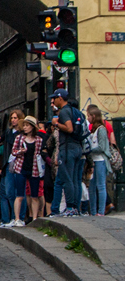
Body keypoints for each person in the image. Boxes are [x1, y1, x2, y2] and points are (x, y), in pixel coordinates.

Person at [50, 89, 85, 217]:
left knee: (67, 178)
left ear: (60, 98)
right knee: (75, 179)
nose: (53, 101)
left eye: (55, 98)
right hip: (77, 148)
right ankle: (75, 207)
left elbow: (69, 128)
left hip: (67, 149)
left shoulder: (64, 111)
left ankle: (69, 207)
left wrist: (56, 123)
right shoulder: (74, 110)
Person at [8, 115, 44, 226]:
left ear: (32, 127)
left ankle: (34, 218)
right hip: (21, 169)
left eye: (27, 125)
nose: (25, 127)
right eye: (24, 125)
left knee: (34, 196)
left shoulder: (39, 140)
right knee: (19, 195)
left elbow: (39, 154)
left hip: (34, 170)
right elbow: (13, 151)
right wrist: (20, 151)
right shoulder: (19, 138)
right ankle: (17, 218)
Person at [0, 110, 23, 225]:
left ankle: (15, 217)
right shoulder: (9, 132)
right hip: (6, 164)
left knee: (11, 192)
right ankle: (5, 219)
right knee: (4, 193)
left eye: (15, 118)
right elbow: (0, 139)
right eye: (12, 118)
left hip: (16, 163)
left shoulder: (21, 133)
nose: (13, 120)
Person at [87, 105, 111, 217]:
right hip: (94, 161)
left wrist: (90, 150)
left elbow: (101, 147)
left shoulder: (101, 129)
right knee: (92, 186)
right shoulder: (93, 129)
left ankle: (100, 211)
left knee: (100, 186)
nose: (88, 118)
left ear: (94, 116)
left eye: (89, 116)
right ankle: (93, 210)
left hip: (100, 160)